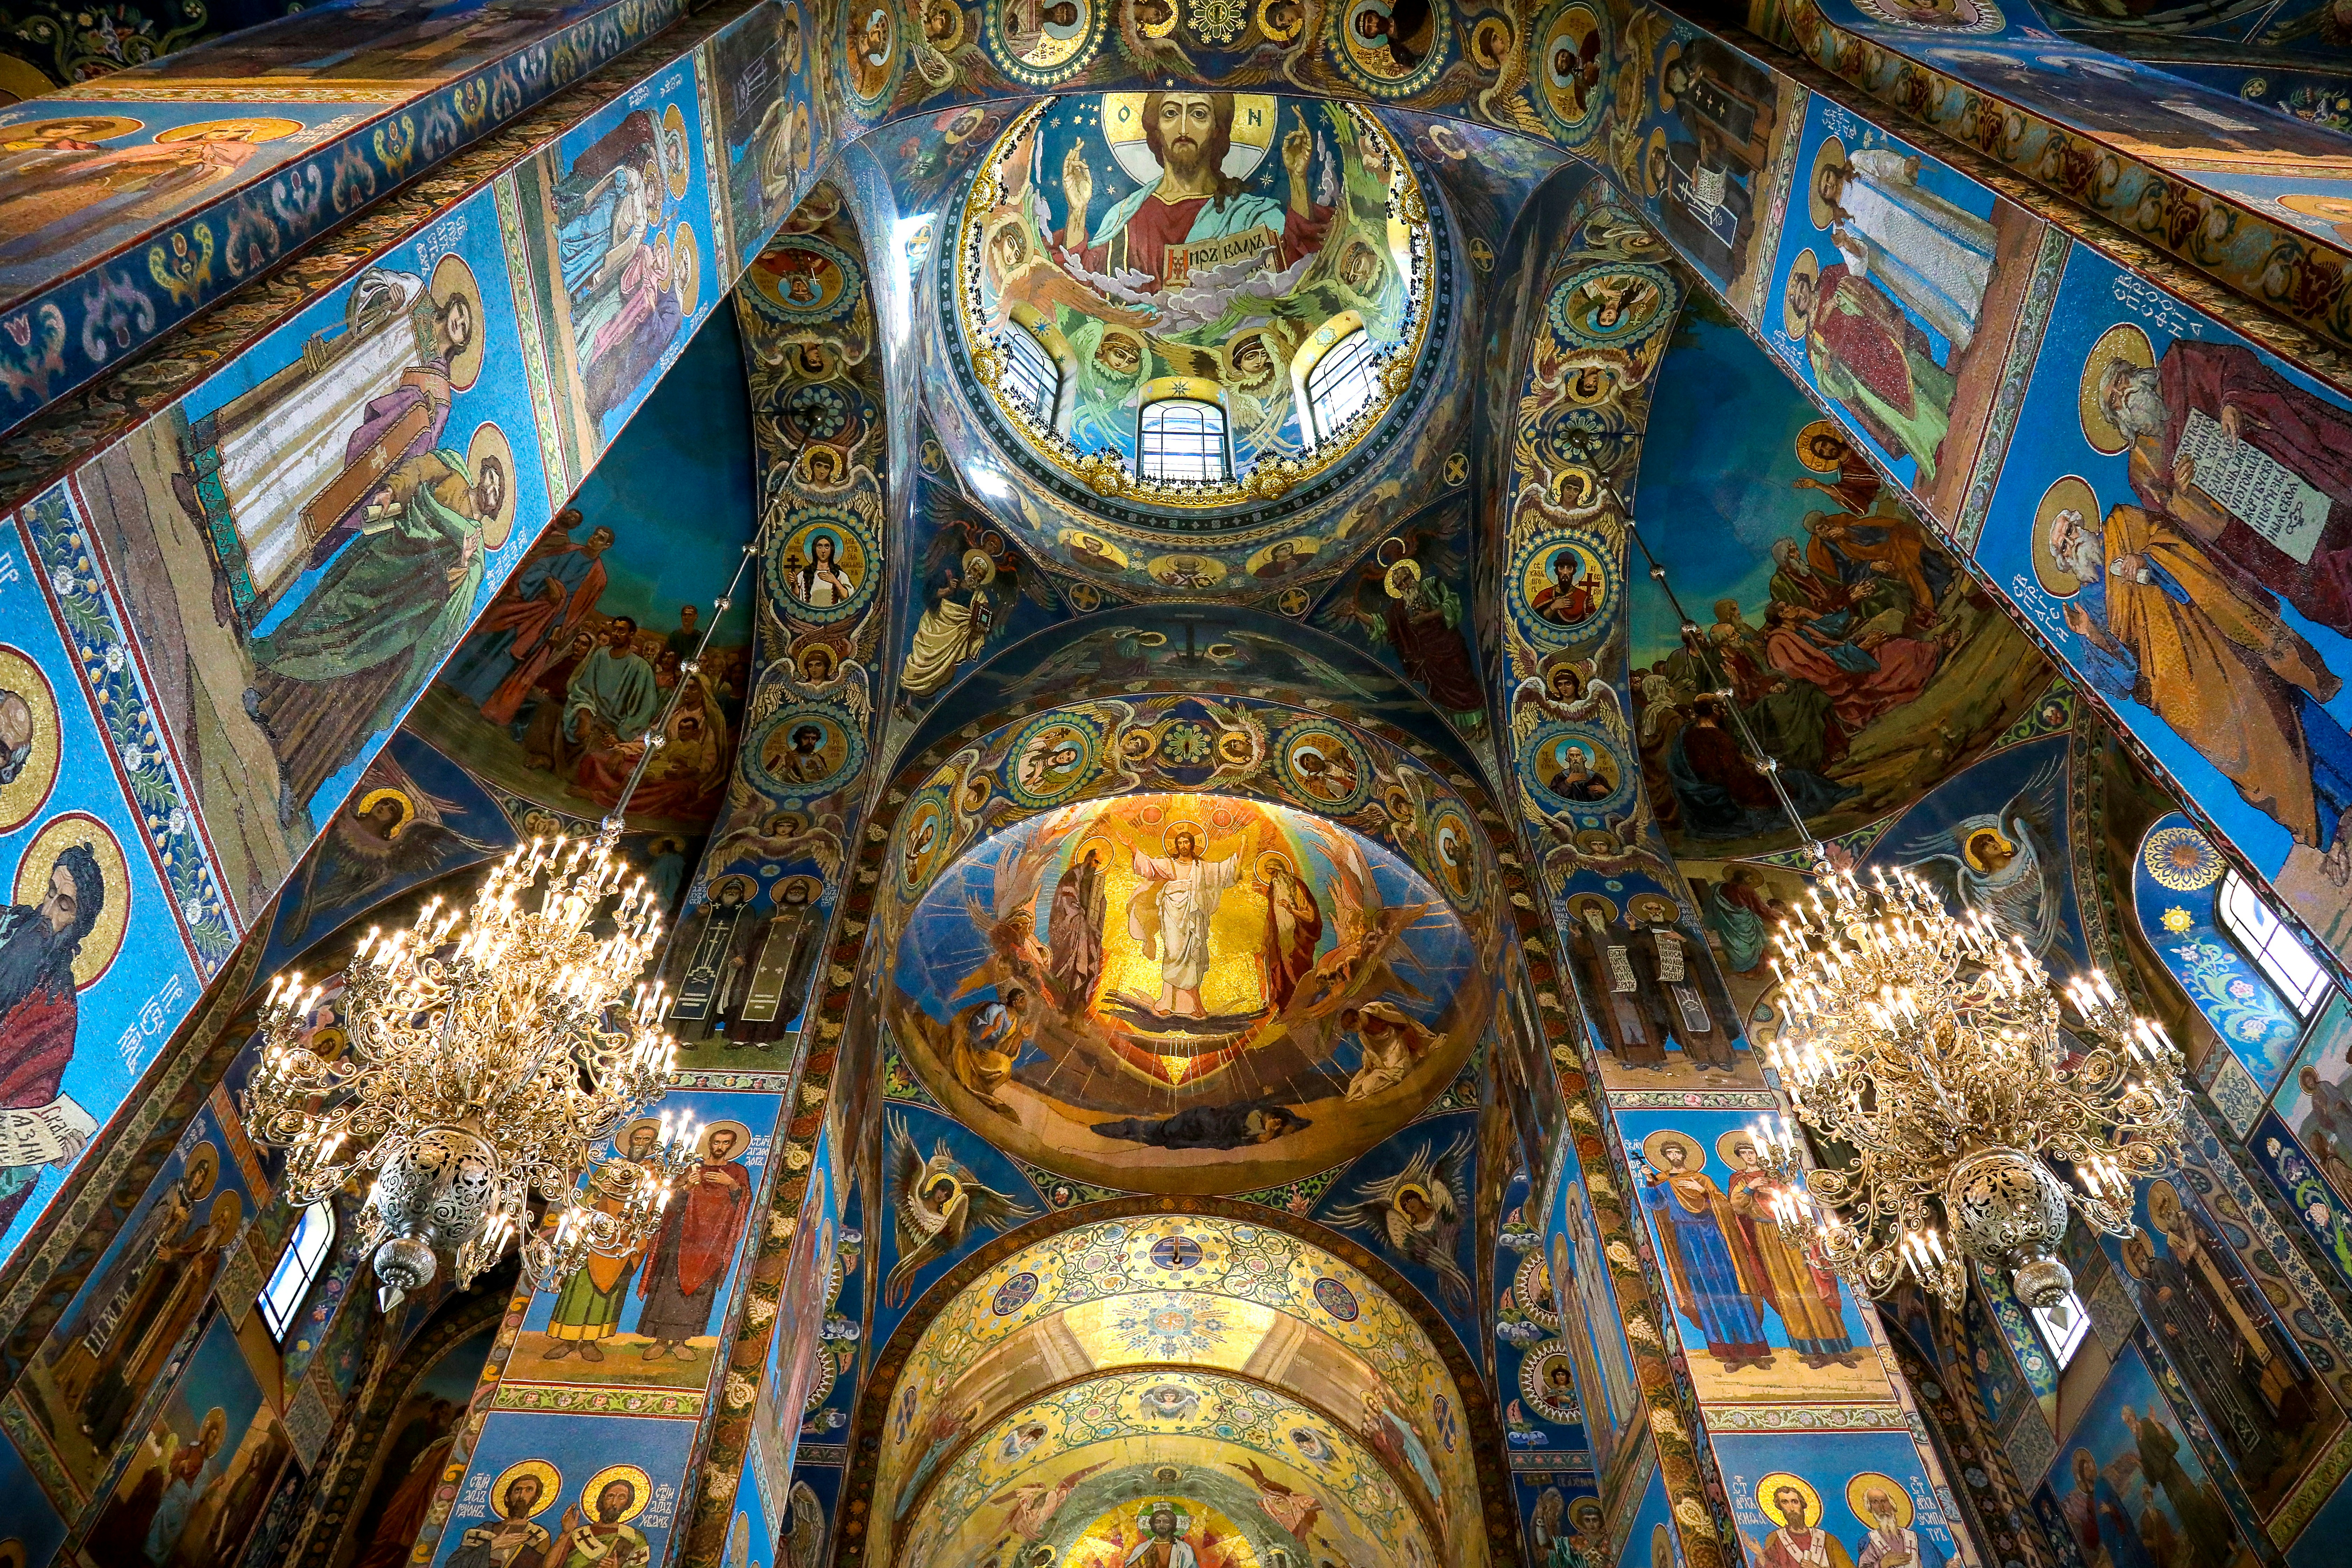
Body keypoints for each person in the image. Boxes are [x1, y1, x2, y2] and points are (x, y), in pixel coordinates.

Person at [2050, 503, 2352, 867]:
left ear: (2082, 525)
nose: (2073, 541)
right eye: (2065, 546)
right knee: (2248, 764)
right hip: (2181, 696)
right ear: (2065, 563)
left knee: (2280, 706)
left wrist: (2147, 564)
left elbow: (2179, 544)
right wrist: (2092, 636)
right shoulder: (2085, 608)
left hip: (2210, 642)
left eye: (2071, 531)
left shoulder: (2123, 526)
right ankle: (2326, 829)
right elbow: (2119, 681)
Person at [244, 444, 495, 817]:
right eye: (492, 479)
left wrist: (459, 565)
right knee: (325, 626)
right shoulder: (451, 470)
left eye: (498, 492)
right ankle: (267, 697)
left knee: (350, 696)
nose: (492, 489)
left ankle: (297, 780)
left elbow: (450, 606)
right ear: (484, 470)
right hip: (379, 567)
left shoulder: (475, 554)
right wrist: (391, 492)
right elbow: (413, 477)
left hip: (400, 620)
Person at [2101, 344, 2352, 638]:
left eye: (2120, 383)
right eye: (2115, 402)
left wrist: (2232, 404)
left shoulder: (2181, 364)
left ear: (2136, 374)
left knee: (2336, 535)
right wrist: (2184, 496)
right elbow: (2172, 525)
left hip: (2280, 473)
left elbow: (2236, 364)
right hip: (2247, 535)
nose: (2125, 397)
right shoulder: (2141, 467)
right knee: (2320, 591)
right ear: (2118, 418)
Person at [1058, 93, 1329, 291]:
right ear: (1156, 129)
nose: (1184, 128)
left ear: (1217, 130)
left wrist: (1297, 179)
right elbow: (1084, 283)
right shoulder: (1125, 217)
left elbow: (1295, 267)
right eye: (1171, 114)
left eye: (1199, 114)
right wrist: (1078, 211)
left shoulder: (1249, 214)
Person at [0, 843, 104, 1233]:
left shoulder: (57, 1008)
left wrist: (44, 1151)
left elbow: (28, 1107)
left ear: (79, 925)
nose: (47, 912)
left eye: (65, 905)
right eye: (50, 893)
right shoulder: (4, 924)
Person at [1786, 255, 1954, 483]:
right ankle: (1932, 446)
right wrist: (1827, 371)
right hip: (1861, 375)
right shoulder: (1811, 340)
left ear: (1807, 281)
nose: (1802, 296)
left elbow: (1854, 275)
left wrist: (1838, 300)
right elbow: (1827, 384)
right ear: (1798, 309)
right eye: (1797, 300)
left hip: (1874, 337)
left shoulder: (1828, 278)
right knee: (1894, 412)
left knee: (1911, 368)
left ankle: (1945, 397)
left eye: (1801, 289)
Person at [1816, 148, 1996, 352]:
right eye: (1825, 188)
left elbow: (1881, 164)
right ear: (1826, 197)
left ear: (1834, 170)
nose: (1830, 184)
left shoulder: (1856, 163)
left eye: (1828, 178)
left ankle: (1983, 269)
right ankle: (1968, 314)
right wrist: (1848, 244)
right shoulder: (1839, 227)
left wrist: (1904, 167)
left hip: (1909, 215)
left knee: (1945, 243)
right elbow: (1857, 268)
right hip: (1896, 253)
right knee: (1932, 279)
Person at [448, 516, 613, 722]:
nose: (594, 539)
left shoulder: (599, 577)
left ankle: (474, 696)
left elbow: (581, 609)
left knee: (510, 656)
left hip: (550, 620)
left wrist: (561, 629)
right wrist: (550, 582)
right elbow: (539, 565)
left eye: (601, 539)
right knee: (489, 636)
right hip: (530, 602)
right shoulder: (569, 549)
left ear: (606, 546)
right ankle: (450, 677)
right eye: (595, 534)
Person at [1721, 1136, 1859, 1367]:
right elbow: (1736, 1206)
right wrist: (1750, 1188)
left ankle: (1837, 1348)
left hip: (1791, 1230)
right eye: (1744, 1153)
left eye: (1752, 1152)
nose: (1749, 1156)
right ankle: (1811, 1350)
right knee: (1785, 1288)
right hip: (1765, 1236)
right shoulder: (1740, 1179)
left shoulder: (1776, 1174)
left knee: (1811, 1284)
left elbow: (1795, 1200)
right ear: (1739, 1157)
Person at [1639, 1134, 1771, 1370]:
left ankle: (1754, 1349)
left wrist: (1705, 1192)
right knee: (1705, 1292)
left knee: (1731, 1287)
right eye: (1669, 1154)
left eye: (1677, 1153)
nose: (1674, 1157)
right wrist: (1650, 1181)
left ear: (1684, 1154)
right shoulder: (1663, 1181)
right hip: (1687, 1239)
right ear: (1665, 1157)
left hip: (1713, 1235)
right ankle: (1729, 1352)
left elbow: (1725, 1206)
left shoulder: (1703, 1178)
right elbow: (1656, 1205)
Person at [540, 1125, 661, 1361]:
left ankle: (590, 1343)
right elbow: (583, 1198)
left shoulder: (653, 1175)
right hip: (594, 1235)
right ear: (629, 1142)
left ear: (652, 1145)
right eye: (637, 1138)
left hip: (625, 1239)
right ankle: (568, 1341)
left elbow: (656, 1206)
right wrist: (598, 1192)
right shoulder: (609, 1169)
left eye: (647, 1140)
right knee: (577, 1287)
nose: (641, 1143)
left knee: (608, 1293)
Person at [636, 1126, 753, 1359]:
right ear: (710, 1143)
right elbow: (669, 1199)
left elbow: (744, 1202)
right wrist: (687, 1185)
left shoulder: (738, 1172)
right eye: (717, 1142)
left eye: (726, 1143)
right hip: (681, 1237)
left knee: (699, 1289)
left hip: (712, 1241)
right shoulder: (692, 1167)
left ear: (732, 1146)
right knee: (668, 1286)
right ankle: (659, 1341)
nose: (720, 1147)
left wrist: (731, 1184)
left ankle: (680, 1343)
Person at [1127, 826, 1242, 1017]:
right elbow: (1148, 865)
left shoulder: (1202, 867)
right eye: (1179, 843)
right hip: (1172, 915)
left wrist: (1239, 855)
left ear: (1192, 845)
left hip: (1193, 916)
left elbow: (1223, 870)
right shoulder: (1168, 864)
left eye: (1186, 842)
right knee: (1173, 953)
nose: (1183, 846)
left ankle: (1194, 1005)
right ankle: (1167, 1002)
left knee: (1192, 957)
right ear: (1176, 846)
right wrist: (1132, 846)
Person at [1571, 902, 1666, 1069]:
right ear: (1584, 914)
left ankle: (1652, 1058)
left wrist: (1632, 928)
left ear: (1602, 912)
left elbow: (1635, 948)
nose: (1594, 914)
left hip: (1627, 978)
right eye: (1589, 912)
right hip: (1603, 983)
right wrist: (1578, 938)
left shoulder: (1616, 930)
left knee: (1640, 1015)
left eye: (1596, 911)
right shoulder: (1582, 933)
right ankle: (1628, 1057)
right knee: (1615, 1018)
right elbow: (1581, 958)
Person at [444, 1469, 552, 1568]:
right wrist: (494, 1545)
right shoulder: (483, 1531)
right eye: (518, 1490)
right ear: (507, 1498)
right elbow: (453, 1565)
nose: (522, 1495)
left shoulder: (538, 1537)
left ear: (536, 1499)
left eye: (529, 1490)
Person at [1046, 848, 1108, 1014]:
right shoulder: (1073, 875)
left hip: (1088, 932)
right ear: (1088, 858)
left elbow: (1099, 906)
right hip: (1073, 929)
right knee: (1074, 964)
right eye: (1095, 862)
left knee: (1089, 965)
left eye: (1099, 865)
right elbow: (1066, 899)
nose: (1096, 867)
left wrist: (1096, 920)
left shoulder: (1095, 884)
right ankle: (1061, 1002)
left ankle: (1075, 1011)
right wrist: (1080, 918)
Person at [1091, 1102, 1305, 1149]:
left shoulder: (1258, 1131)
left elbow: (1229, 1141)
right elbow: (1234, 1126)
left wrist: (1261, 1136)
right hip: (1198, 1120)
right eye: (1278, 1121)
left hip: (1202, 1132)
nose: (1276, 1125)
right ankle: (1127, 1127)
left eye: (1280, 1128)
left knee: (1162, 1140)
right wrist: (1262, 1134)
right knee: (1162, 1131)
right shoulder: (1253, 1113)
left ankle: (1128, 1131)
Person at [1259, 857, 1323, 1013]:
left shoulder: (1295, 885)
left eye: (1274, 873)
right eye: (1270, 875)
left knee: (1300, 969)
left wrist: (1291, 910)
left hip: (1298, 939)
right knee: (1281, 974)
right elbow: (1271, 916)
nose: (1273, 877)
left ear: (1280, 870)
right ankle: (1287, 1009)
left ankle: (1304, 1004)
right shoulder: (1274, 888)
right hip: (1280, 940)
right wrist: (1265, 942)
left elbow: (1311, 915)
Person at [545, 1476, 652, 1568]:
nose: (614, 1503)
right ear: (602, 1500)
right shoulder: (579, 1534)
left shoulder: (635, 1538)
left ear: (627, 1504)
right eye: (611, 1496)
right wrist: (565, 1534)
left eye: (622, 1497)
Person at [1757, 1483, 1854, 1568]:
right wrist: (1761, 1557)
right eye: (1785, 1502)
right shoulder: (1775, 1539)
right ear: (1780, 1507)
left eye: (1795, 1502)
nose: (1791, 1508)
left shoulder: (1828, 1540)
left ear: (1802, 1505)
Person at [1854, 1483, 1942, 1568]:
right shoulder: (1870, 1542)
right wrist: (1883, 1564)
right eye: (1875, 1502)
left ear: (1892, 1504)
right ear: (1870, 1508)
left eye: (1884, 1501)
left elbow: (1939, 1563)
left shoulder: (1917, 1539)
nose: (1882, 1508)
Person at [793, 532, 855, 609]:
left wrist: (835, 581)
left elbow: (847, 597)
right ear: (815, 549)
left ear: (831, 550)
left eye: (827, 547)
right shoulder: (804, 574)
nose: (823, 551)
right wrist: (795, 584)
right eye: (820, 546)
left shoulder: (840, 575)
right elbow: (797, 597)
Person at [1122, 1505, 1196, 1568]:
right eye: (1158, 1522)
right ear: (1153, 1525)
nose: (1161, 1525)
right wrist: (1149, 1565)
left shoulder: (1184, 1549)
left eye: (1166, 1522)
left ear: (1172, 1525)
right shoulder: (1142, 1549)